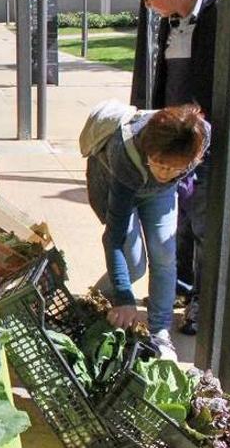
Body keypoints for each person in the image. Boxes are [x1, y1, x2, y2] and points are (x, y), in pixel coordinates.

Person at [131, 0, 217, 334]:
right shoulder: (170, 20)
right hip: (171, 138)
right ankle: (179, 286)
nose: (148, 7)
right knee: (176, 216)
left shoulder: (219, 16)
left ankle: (202, 301)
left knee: (202, 223)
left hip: (203, 141)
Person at [84, 100, 209, 360]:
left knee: (164, 252)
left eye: (175, 168)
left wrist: (171, 173)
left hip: (158, 195)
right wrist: (124, 296)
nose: (165, 173)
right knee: (134, 263)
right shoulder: (125, 150)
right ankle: (97, 303)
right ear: (149, 152)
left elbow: (175, 171)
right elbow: (114, 238)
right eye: (160, 165)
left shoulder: (199, 136)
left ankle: (160, 332)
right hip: (117, 181)